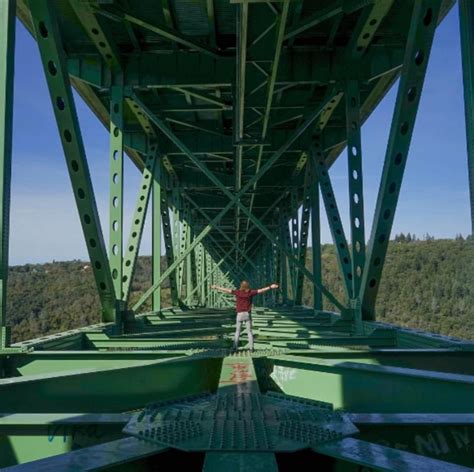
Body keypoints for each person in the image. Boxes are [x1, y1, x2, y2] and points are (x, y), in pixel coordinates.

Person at [211, 280, 279, 352]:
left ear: (241, 286)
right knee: (249, 332)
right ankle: (251, 348)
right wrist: (270, 287)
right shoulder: (250, 293)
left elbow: (227, 290)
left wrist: (216, 287)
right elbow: (261, 290)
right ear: (248, 286)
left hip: (239, 314)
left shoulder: (238, 292)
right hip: (247, 314)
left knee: (237, 331)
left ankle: (235, 347)